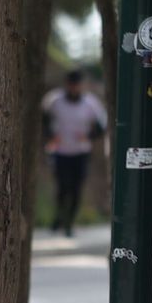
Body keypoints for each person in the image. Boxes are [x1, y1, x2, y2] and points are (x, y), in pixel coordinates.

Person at [42, 69, 107, 237]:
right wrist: (50, 136)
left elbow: (101, 127)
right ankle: (59, 218)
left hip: (81, 152)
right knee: (62, 187)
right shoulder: (54, 100)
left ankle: (69, 223)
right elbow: (43, 120)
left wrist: (88, 136)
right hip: (60, 151)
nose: (74, 88)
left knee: (76, 189)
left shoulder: (90, 103)